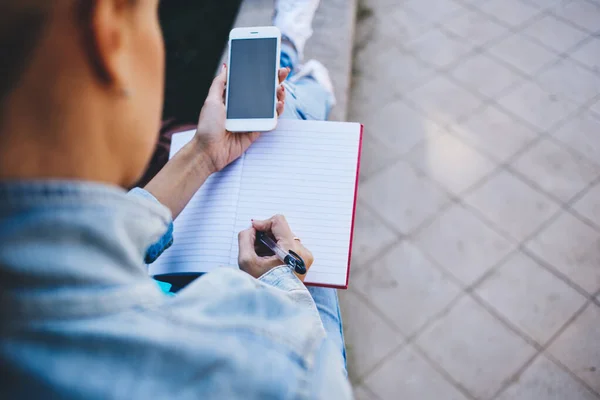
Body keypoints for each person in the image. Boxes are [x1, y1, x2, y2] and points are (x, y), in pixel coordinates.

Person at [0, 0, 352, 399]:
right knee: (292, 118)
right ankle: (302, 64)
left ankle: (295, 56)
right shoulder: (271, 364)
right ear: (109, 34)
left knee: (283, 107)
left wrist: (204, 153)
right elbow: (319, 372)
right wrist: (284, 283)